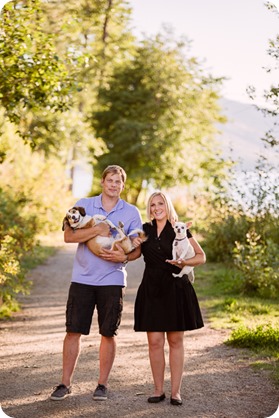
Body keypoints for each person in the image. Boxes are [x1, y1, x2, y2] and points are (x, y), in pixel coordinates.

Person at [50, 165, 142, 401]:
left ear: (123, 185)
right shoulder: (83, 205)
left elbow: (137, 249)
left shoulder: (131, 212)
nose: (113, 185)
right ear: (102, 182)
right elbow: (68, 236)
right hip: (82, 278)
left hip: (112, 279)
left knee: (108, 333)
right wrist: (97, 230)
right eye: (109, 180)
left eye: (118, 182)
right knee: (73, 331)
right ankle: (64, 383)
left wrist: (124, 257)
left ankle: (102, 385)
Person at [134, 191, 206, 406]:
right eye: (153, 204)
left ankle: (176, 392)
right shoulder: (144, 229)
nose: (156, 208)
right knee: (154, 342)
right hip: (152, 288)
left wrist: (185, 263)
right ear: (149, 208)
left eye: (160, 203)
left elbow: (201, 256)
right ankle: (158, 390)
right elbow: (131, 251)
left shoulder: (180, 228)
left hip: (176, 287)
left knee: (175, 341)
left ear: (167, 206)